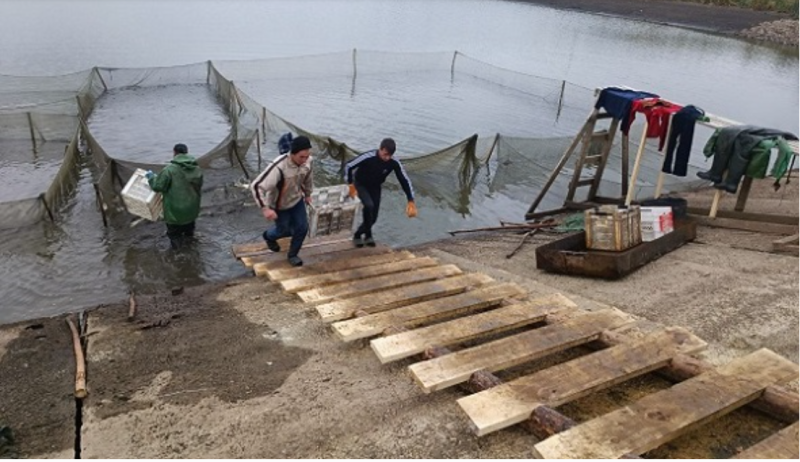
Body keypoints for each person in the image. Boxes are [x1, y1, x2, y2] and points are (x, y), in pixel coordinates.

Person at [250, 135, 313, 267]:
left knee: (303, 228)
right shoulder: (279, 167)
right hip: (279, 205)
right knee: (283, 231)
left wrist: (308, 194)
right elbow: (256, 186)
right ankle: (268, 236)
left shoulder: (307, 162)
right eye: (301, 157)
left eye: (307, 156)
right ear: (292, 154)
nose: (304, 160)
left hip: (296, 200)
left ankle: (293, 255)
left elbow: (308, 178)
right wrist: (265, 208)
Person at [344, 138, 416, 248]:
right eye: (385, 154)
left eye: (390, 155)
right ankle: (358, 235)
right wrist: (350, 184)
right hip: (360, 184)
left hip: (375, 187)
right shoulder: (368, 157)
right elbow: (349, 166)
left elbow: (404, 180)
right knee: (369, 205)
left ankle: (366, 234)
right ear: (380, 149)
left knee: (374, 217)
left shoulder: (394, 162)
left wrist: (411, 200)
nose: (387, 158)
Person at [145, 143, 203, 249]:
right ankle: (192, 251)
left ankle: (178, 258)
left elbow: (158, 186)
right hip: (192, 209)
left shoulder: (169, 170)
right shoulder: (197, 169)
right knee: (189, 234)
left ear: (174, 153)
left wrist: (151, 178)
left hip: (175, 212)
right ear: (187, 153)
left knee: (175, 236)